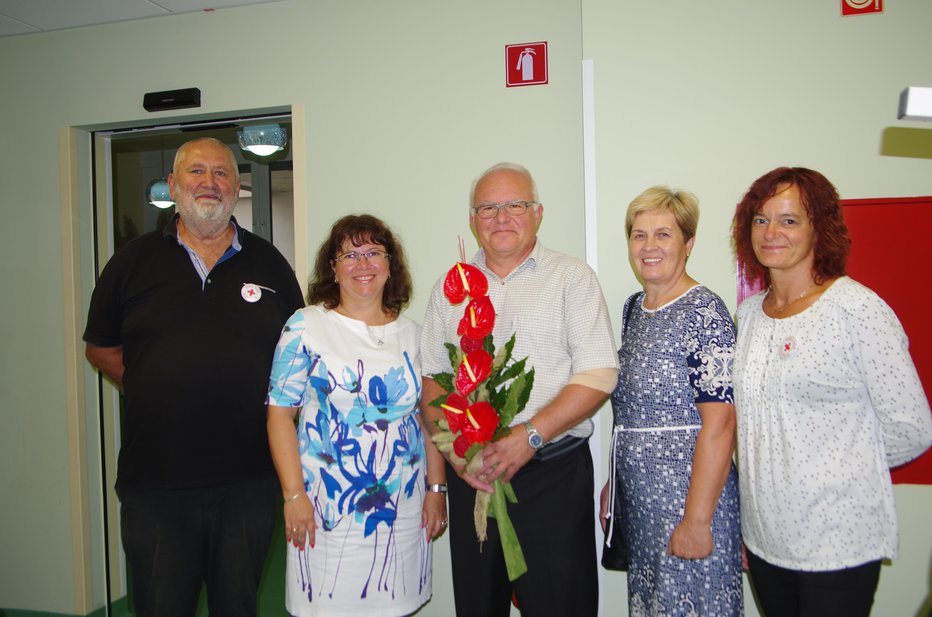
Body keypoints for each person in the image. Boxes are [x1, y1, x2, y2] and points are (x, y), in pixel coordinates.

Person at [83, 137, 305, 616]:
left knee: (238, 606)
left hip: (249, 482)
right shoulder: (132, 262)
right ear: (174, 185)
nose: (209, 183)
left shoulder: (268, 263)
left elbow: (299, 355)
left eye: (221, 173)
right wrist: (151, 381)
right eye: (196, 172)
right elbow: (100, 348)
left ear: (237, 186)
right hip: (157, 485)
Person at [419, 163, 619, 617]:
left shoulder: (572, 279)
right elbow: (431, 379)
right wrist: (454, 454)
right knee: (478, 605)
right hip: (473, 476)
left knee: (560, 606)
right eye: (488, 207)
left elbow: (599, 373)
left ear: (538, 214)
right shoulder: (449, 289)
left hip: (553, 475)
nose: (501, 216)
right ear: (472, 220)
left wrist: (529, 436)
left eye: (515, 205)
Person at [731, 167, 932, 616]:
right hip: (766, 539)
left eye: (789, 220)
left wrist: (837, 469)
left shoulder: (856, 309)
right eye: (760, 220)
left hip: (837, 540)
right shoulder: (747, 316)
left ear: (819, 227)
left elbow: (913, 428)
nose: (771, 233)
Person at [266, 214, 447, 616]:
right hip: (325, 506)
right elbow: (279, 415)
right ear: (333, 268)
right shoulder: (306, 326)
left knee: (394, 605)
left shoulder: (414, 334)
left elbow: (428, 418)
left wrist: (437, 490)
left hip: (402, 506)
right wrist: (293, 495)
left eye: (372, 253)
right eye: (349, 255)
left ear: (390, 265)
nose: (362, 265)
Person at [598, 186, 743, 616]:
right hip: (642, 507)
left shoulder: (705, 312)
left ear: (689, 243)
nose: (649, 246)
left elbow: (721, 423)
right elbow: (631, 411)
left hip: (690, 500)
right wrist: (616, 484)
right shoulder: (633, 309)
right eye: (639, 235)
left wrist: (697, 522)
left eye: (663, 234)